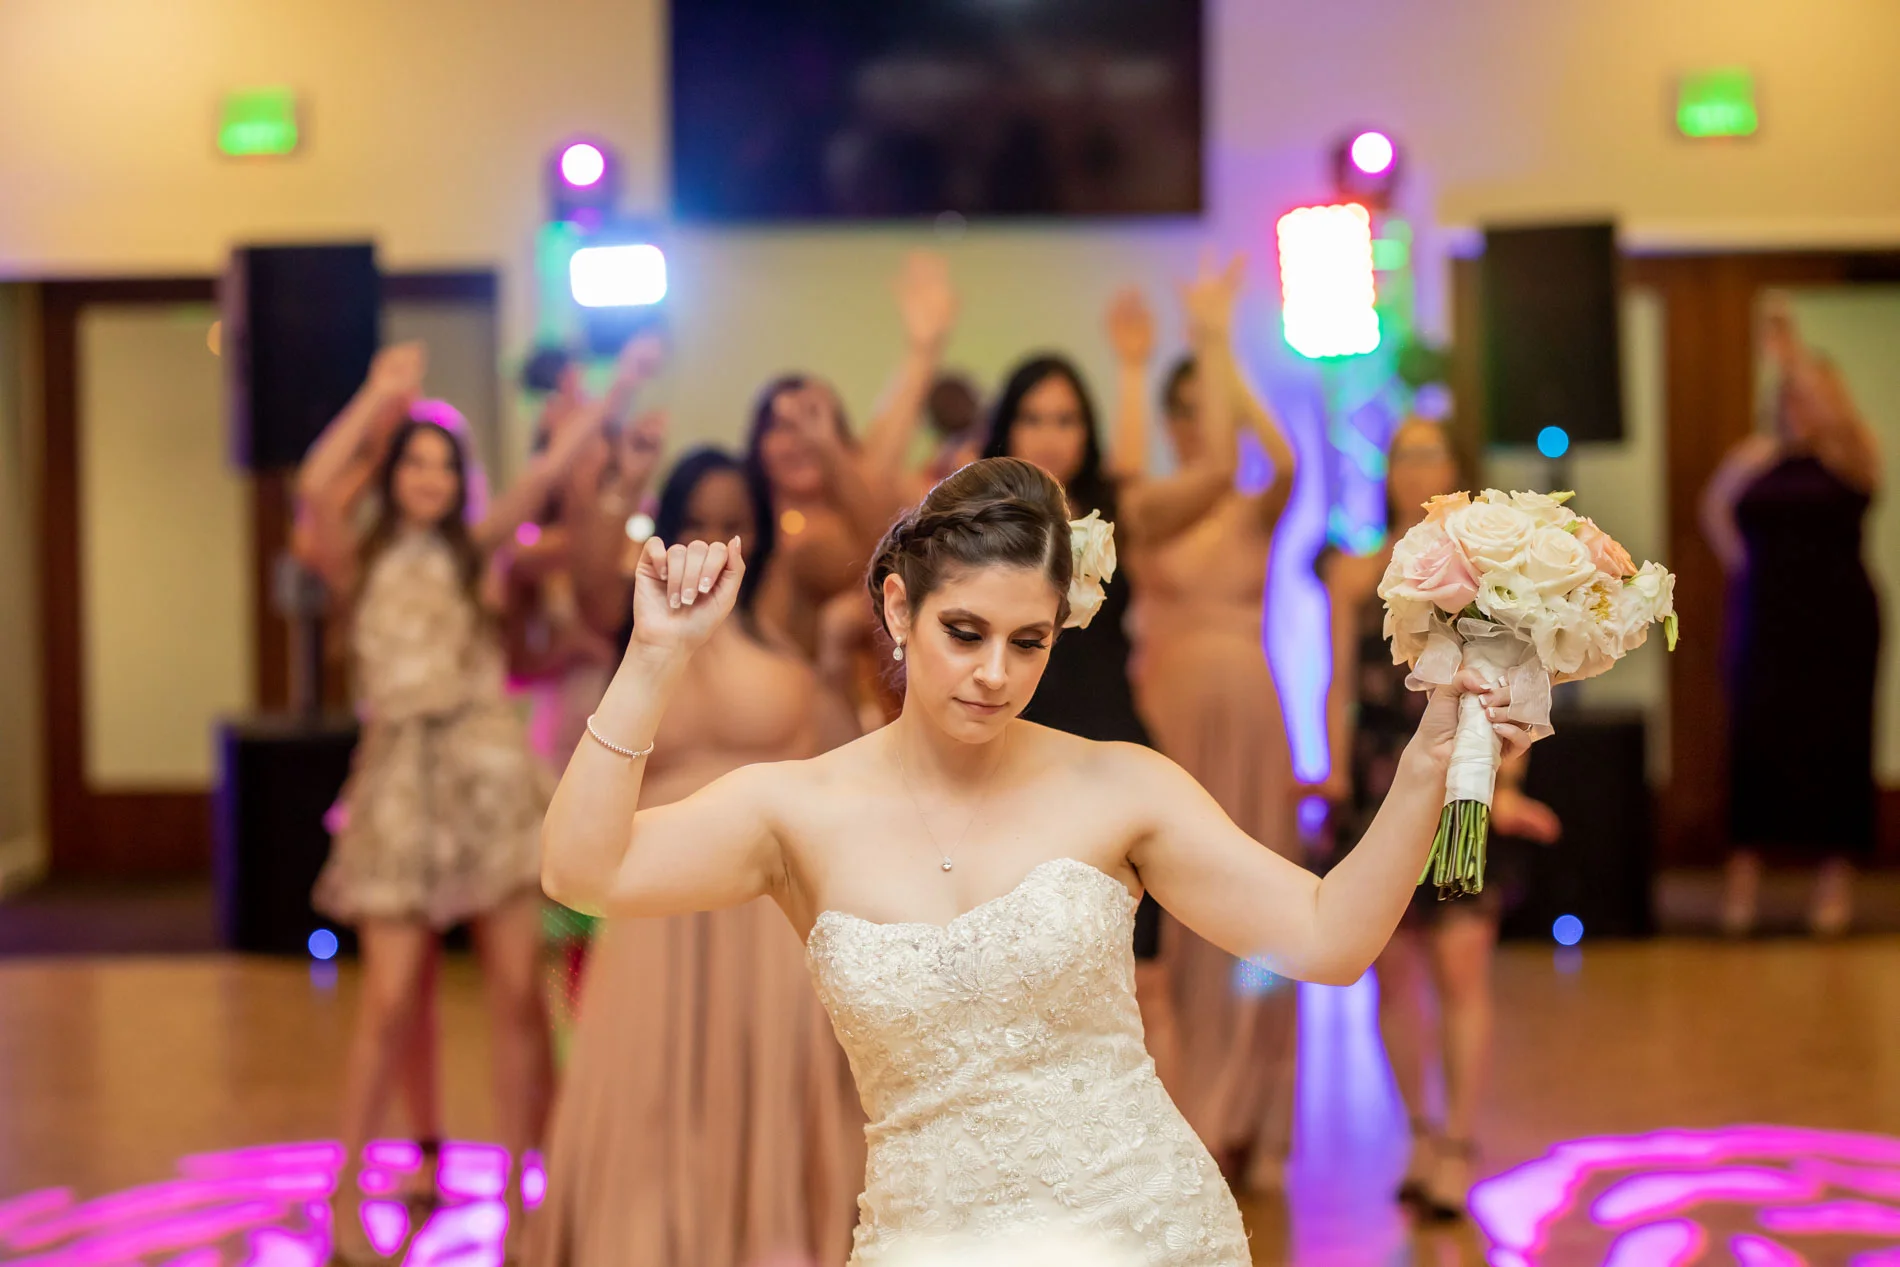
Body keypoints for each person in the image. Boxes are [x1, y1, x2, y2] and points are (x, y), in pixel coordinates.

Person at [540, 455, 1528, 1267]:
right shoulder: (797, 808)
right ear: (898, 608)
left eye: (1029, 642)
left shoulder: (1119, 786)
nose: (994, 674)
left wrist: (1427, 764)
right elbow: (582, 872)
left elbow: (1327, 938)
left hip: (1143, 1231)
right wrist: (654, 657)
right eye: (964, 632)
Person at [293, 337, 658, 1262]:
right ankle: (344, 1192)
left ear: (461, 481)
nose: (429, 478)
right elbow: (315, 481)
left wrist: (617, 389)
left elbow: (549, 471)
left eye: (443, 464)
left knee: (515, 996)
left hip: (488, 773)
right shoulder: (357, 559)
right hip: (397, 782)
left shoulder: (476, 553)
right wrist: (376, 396)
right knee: (387, 1000)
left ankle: (525, 1196)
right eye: (413, 462)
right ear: (392, 473)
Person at [532, 448, 861, 1267]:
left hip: (765, 912)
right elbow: (587, 564)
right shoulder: (636, 625)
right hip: (653, 902)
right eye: (697, 520)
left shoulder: (789, 620)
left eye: (733, 522)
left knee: (767, 1082)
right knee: (648, 1086)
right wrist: (609, 476)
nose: (714, 538)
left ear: (761, 532)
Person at [976, 258, 1254, 1089]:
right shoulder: (973, 525)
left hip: (1109, 751)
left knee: (1143, 978)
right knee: (1023, 984)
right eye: (1032, 417)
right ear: (1006, 427)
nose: (1049, 434)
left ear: (1087, 430)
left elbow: (1218, 472)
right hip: (1010, 763)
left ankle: (1163, 1151)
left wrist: (1208, 339)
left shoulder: (1117, 511)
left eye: (1066, 418)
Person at [1317, 417, 1562, 1221]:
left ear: (1457, 467)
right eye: (1405, 454)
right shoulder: (1357, 575)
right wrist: (1332, 780)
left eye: (1432, 452)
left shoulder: (1492, 576)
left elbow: (1519, 681)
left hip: (1466, 781)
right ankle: (1419, 1132)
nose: (1417, 467)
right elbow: (1338, 688)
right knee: (1390, 976)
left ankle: (1457, 1139)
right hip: (1379, 789)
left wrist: (1503, 782)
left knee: (1460, 969)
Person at [1116, 260, 1303, 1193]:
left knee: (1259, 912)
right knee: (1181, 915)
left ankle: (1253, 1110)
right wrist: (1154, 364)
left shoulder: (1251, 506)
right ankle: (1186, 1109)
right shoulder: (1153, 510)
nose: (1197, 421)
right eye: (1182, 409)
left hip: (1252, 719)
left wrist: (1219, 350)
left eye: (1206, 408)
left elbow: (1287, 461)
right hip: (1172, 717)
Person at [1701, 298, 1882, 937]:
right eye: (1790, 395)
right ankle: (1742, 883)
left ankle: (1833, 884)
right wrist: (1746, 566)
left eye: (1808, 394)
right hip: (1768, 618)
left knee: (1838, 745)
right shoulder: (1756, 455)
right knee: (1754, 743)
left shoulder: (1851, 453)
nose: (1798, 405)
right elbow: (1713, 510)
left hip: (1839, 622)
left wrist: (1792, 350)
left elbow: (1856, 451)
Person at [749, 251, 959, 659]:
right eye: (781, 427)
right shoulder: (754, 524)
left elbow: (877, 480)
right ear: (757, 444)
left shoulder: (865, 497)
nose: (800, 440)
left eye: (813, 420)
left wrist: (922, 350)